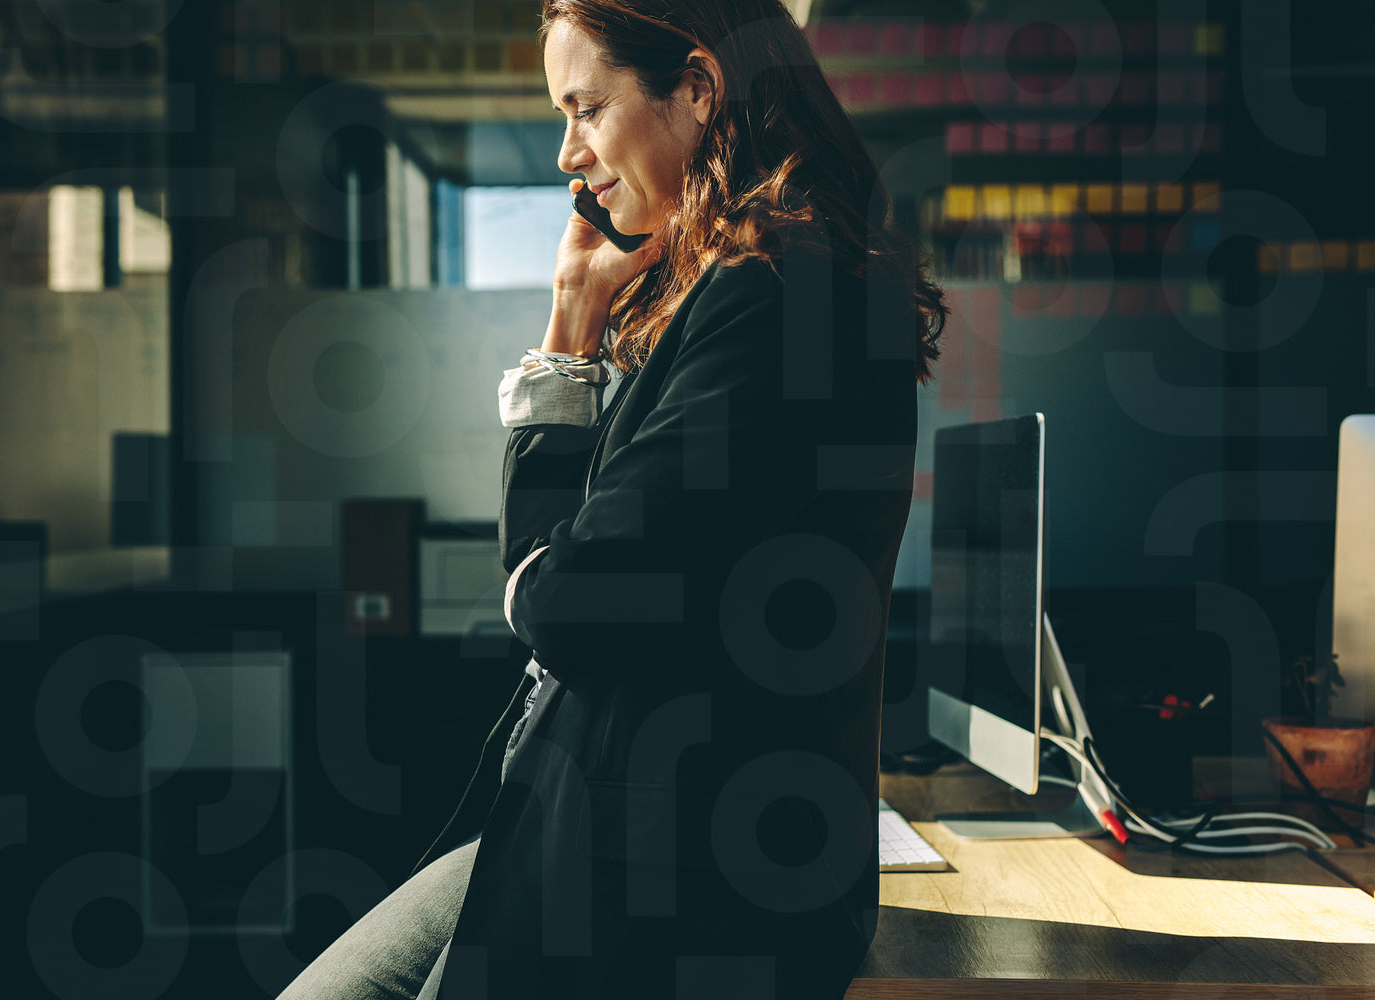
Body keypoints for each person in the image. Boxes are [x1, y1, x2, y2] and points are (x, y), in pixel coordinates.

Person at [278, 0, 944, 996]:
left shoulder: (777, 294)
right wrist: (574, 311)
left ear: (698, 88)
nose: (568, 153)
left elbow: (571, 605)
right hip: (607, 831)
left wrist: (539, 567)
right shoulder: (760, 282)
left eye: (586, 108)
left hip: (677, 883)